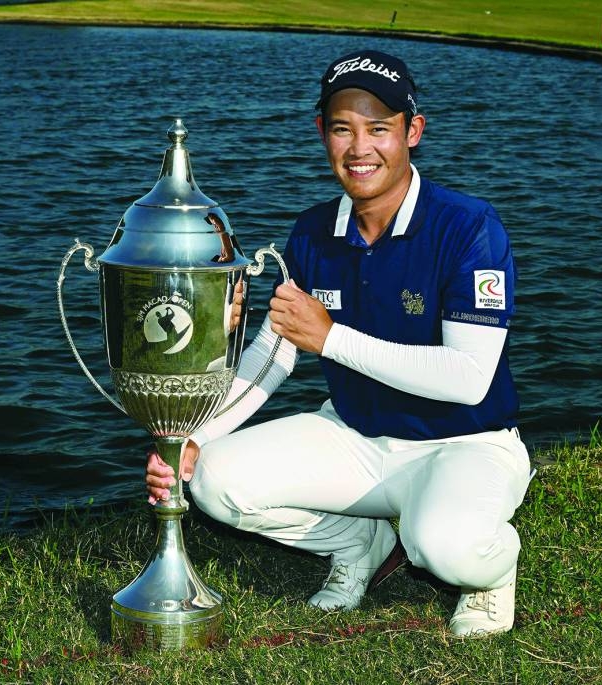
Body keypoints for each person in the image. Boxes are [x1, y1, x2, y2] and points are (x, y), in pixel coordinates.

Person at [146, 49, 533, 638]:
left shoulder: (469, 226)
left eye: (379, 128)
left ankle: (489, 577)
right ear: (321, 133)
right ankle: (358, 542)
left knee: (445, 547)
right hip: (356, 436)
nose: (360, 148)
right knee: (215, 480)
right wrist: (195, 437)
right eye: (342, 128)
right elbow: (275, 353)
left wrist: (332, 338)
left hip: (466, 443)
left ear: (413, 132)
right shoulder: (312, 232)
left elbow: (468, 378)